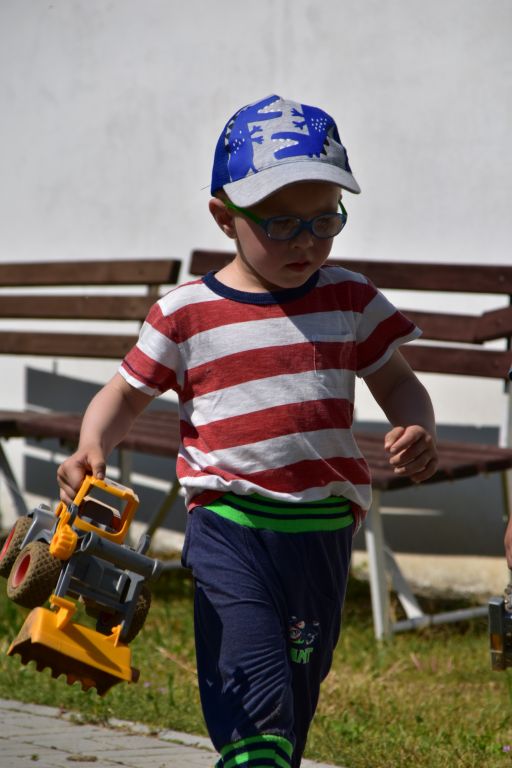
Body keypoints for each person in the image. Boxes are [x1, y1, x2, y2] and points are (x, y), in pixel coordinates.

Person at [57, 94, 438, 768]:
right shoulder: (185, 313)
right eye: (283, 223)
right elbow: (123, 394)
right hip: (228, 523)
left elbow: (399, 381)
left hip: (321, 529)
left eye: (326, 219)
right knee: (253, 693)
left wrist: (416, 423)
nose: (307, 241)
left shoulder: (350, 298)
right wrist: (93, 444)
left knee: (294, 697)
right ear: (224, 218)